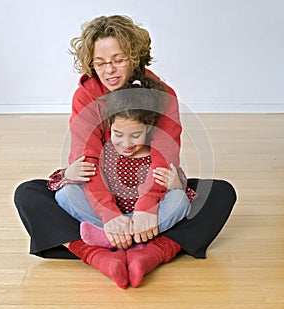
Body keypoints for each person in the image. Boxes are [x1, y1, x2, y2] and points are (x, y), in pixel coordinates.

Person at [14, 15, 237, 286]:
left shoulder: (161, 94)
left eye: (118, 60)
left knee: (220, 193)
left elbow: (163, 157)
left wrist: (145, 208)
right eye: (101, 63)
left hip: (148, 199)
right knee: (29, 193)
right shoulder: (87, 95)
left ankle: (147, 254)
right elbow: (87, 162)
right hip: (101, 199)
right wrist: (110, 216)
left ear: (134, 57)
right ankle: (103, 254)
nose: (110, 71)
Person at [49, 75, 198, 288]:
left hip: (145, 221)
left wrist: (176, 185)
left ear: (149, 129)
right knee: (65, 194)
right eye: (118, 134)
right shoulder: (103, 151)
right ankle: (135, 244)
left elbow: (179, 192)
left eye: (135, 135)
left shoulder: (156, 156)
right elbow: (73, 184)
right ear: (109, 125)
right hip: (109, 219)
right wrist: (69, 174)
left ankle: (110, 241)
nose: (126, 143)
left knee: (180, 200)